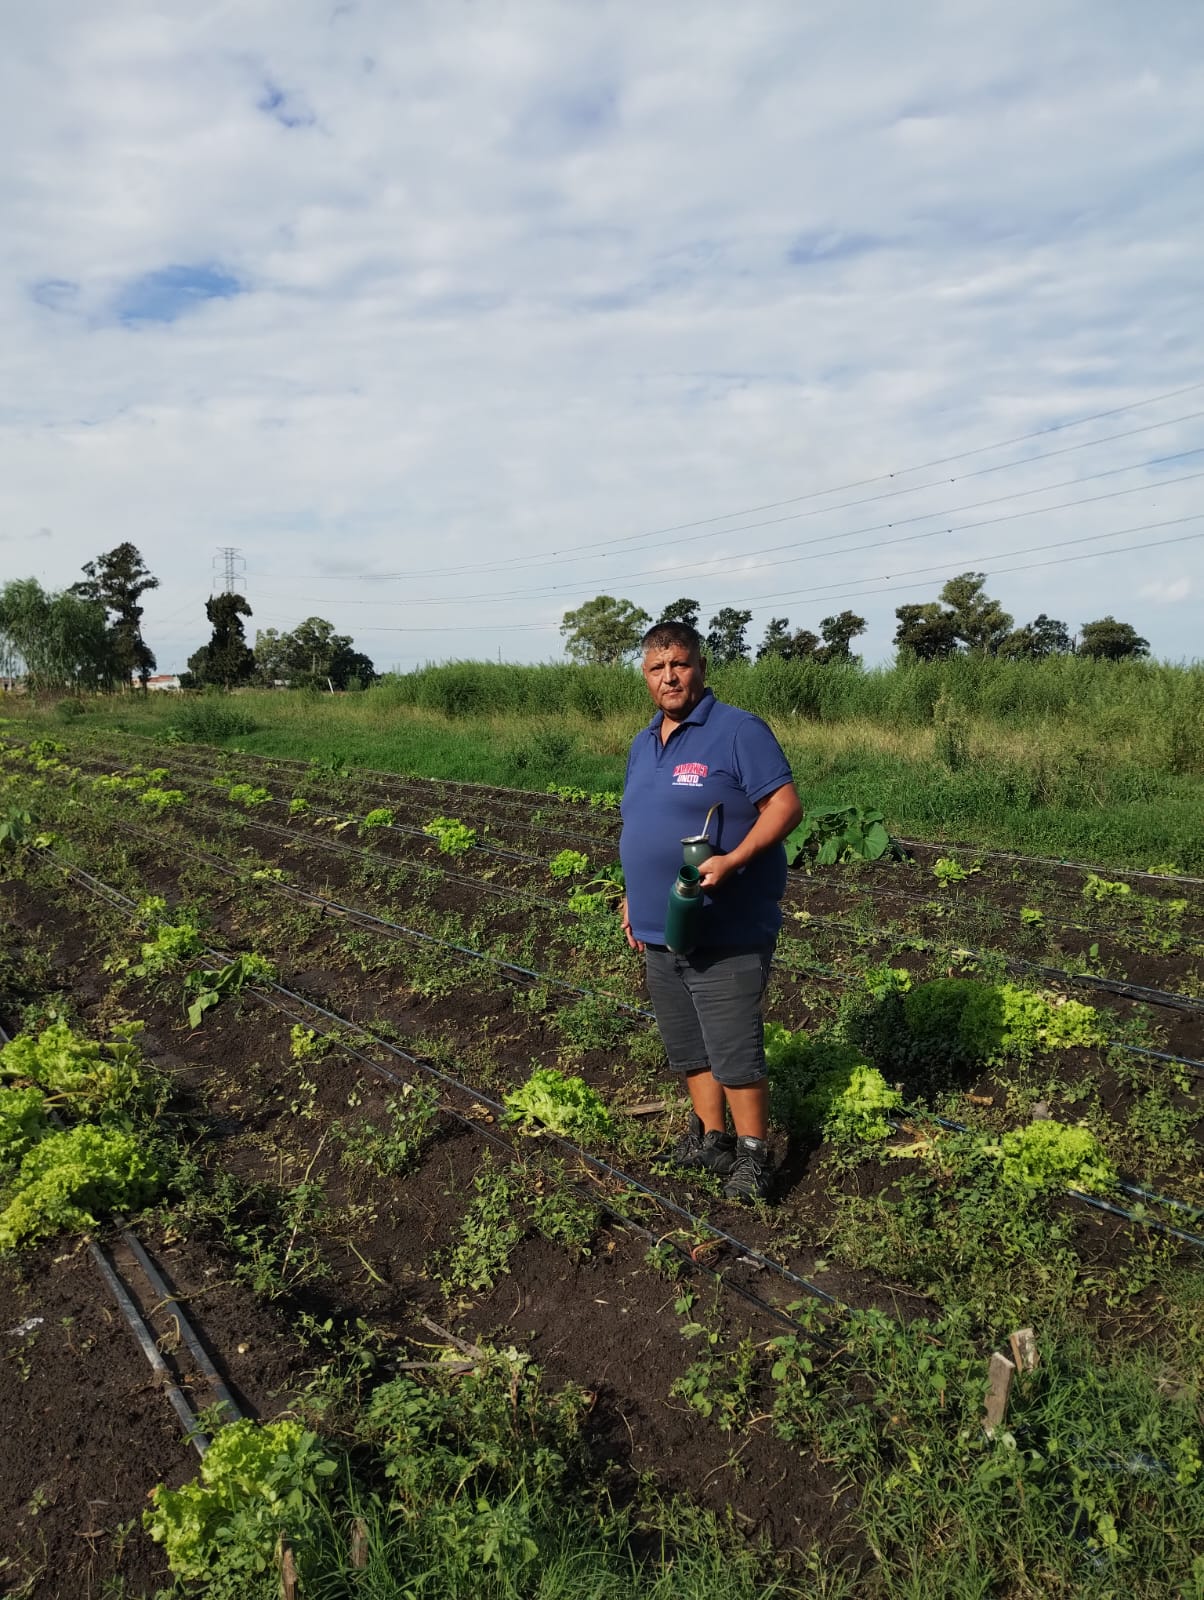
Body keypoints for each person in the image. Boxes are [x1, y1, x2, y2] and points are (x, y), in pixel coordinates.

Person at [618, 621, 802, 1201]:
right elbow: (638, 824)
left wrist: (734, 857)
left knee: (732, 1044)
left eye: (680, 664)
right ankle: (712, 1137)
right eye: (657, 668)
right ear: (645, 677)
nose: (669, 677)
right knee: (687, 1043)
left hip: (726, 922)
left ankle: (754, 1155)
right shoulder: (644, 741)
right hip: (660, 922)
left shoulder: (736, 730)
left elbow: (785, 806)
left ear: (700, 666)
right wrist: (632, 896)